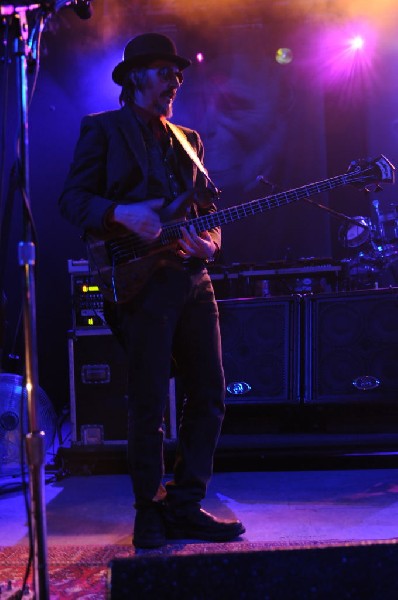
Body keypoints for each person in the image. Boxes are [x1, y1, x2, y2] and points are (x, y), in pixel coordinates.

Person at [59, 32, 245, 549]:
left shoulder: (190, 139)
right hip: (140, 280)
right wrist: (120, 213)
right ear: (136, 77)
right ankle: (149, 509)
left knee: (209, 394)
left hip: (192, 278)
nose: (176, 81)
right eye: (166, 71)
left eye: (178, 74)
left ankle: (186, 504)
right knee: (148, 404)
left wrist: (211, 243)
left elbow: (209, 212)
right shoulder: (103, 131)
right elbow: (72, 200)